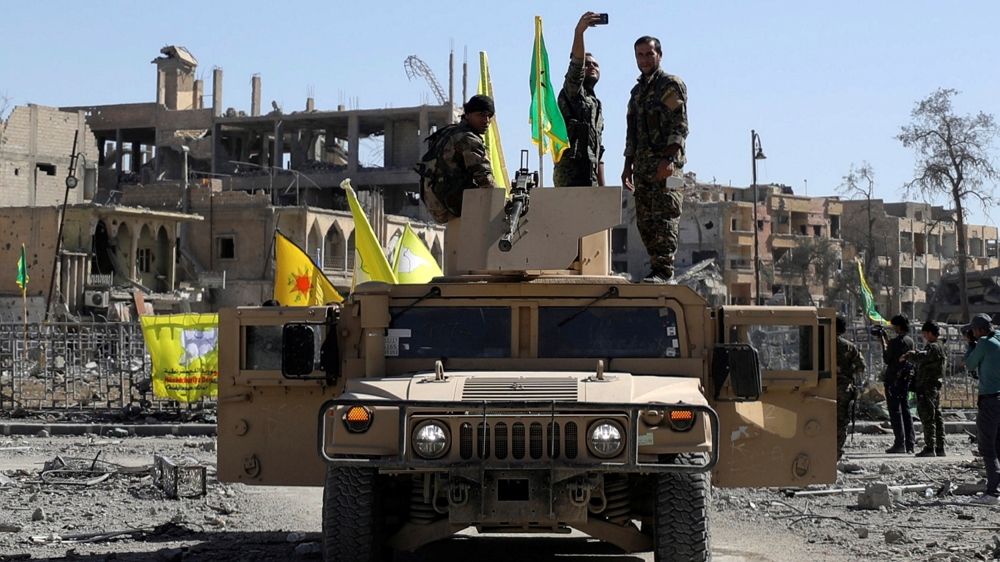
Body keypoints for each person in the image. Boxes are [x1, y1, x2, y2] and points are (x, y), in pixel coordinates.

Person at [621, 36, 689, 284]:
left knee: (666, 216)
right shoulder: (637, 93)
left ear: (659, 55)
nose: (644, 59)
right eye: (640, 55)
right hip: (643, 169)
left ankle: (664, 270)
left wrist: (669, 157)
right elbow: (632, 133)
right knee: (645, 221)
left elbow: (680, 125)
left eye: (649, 54)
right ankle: (656, 269)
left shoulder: (669, 85)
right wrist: (627, 167)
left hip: (668, 169)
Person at [416, 94, 499, 224]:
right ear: (468, 115)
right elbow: (484, 178)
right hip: (451, 206)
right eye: (481, 115)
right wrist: (504, 201)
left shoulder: (448, 131)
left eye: (489, 116)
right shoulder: (468, 138)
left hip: (436, 204)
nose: (486, 120)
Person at [553, 12, 605, 188]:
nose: (592, 67)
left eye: (595, 65)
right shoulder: (573, 92)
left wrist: (603, 190)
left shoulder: (596, 104)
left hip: (590, 176)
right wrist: (579, 33)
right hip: (570, 174)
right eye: (587, 64)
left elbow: (599, 150)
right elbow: (576, 67)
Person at [963, 313, 1000, 505]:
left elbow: (970, 364)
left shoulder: (984, 342)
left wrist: (971, 344)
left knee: (987, 447)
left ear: (978, 330)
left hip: (990, 399)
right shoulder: (998, 338)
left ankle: (992, 493)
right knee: (998, 445)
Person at [903, 321, 947, 457]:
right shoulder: (941, 346)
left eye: (925, 333)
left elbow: (921, 357)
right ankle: (940, 447)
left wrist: (908, 356)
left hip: (927, 386)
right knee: (937, 416)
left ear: (929, 333)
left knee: (928, 417)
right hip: (935, 385)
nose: (924, 336)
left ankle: (930, 447)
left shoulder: (933, 347)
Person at [879, 315, 915, 454]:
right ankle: (910, 443)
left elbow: (887, 359)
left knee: (895, 411)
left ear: (898, 326)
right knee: (905, 410)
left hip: (893, 379)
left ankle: (899, 443)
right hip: (905, 378)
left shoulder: (894, 342)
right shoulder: (910, 341)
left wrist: (884, 344)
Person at [836, 317, 866, 460]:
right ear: (844, 330)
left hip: (821, 388)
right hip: (843, 388)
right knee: (841, 421)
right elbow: (861, 366)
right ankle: (836, 451)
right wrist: (849, 371)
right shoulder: (849, 346)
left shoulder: (819, 343)